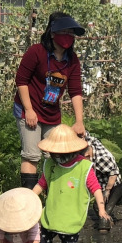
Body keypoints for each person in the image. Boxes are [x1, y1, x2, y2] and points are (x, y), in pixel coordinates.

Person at [15, 13, 86, 188]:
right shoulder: (36, 52)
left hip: (51, 113)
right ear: (53, 33)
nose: (68, 36)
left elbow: (75, 91)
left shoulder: (72, 60)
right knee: (32, 155)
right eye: (64, 32)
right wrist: (29, 110)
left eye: (71, 33)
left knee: (54, 154)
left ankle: (51, 195)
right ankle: (29, 198)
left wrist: (79, 121)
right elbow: (21, 81)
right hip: (29, 108)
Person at [31, 125, 110, 243]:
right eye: (54, 153)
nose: (56, 157)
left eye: (59, 154)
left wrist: (102, 209)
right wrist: (28, 198)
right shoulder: (51, 164)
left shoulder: (83, 167)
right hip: (51, 215)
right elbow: (42, 184)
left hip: (71, 217)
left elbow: (96, 189)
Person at [82, 132, 122, 232]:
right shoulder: (91, 143)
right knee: (97, 206)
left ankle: (105, 227)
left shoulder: (102, 159)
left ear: (87, 155)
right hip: (102, 184)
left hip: (115, 185)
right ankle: (110, 221)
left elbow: (114, 173)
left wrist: (107, 191)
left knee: (105, 212)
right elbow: (86, 134)